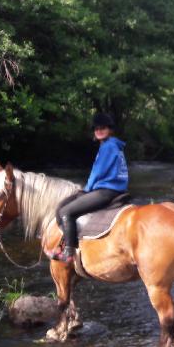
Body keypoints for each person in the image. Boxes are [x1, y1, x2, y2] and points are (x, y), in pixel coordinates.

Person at [50, 112, 129, 263]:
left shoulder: (108, 146)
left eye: (103, 127)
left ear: (110, 129)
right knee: (64, 206)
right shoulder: (114, 145)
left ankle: (69, 252)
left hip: (106, 191)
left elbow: (98, 172)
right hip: (113, 188)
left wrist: (86, 190)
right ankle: (64, 243)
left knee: (66, 211)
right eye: (96, 128)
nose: (99, 130)